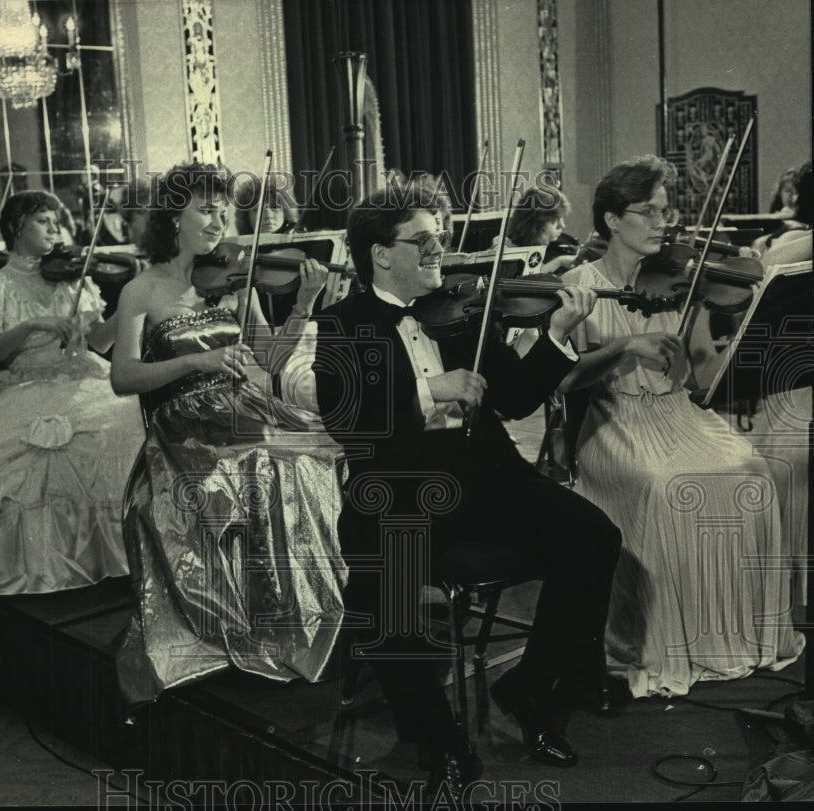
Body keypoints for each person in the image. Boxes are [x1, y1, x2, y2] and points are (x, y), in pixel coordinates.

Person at [312, 186, 621, 783]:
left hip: (486, 479)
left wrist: (557, 331)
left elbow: (515, 396)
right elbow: (348, 420)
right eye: (423, 240)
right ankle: (437, 738)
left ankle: (530, 689)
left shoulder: (461, 313)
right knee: (387, 589)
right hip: (397, 493)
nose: (439, 250)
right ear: (380, 254)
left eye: (440, 237)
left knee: (593, 536)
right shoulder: (342, 324)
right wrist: (432, 390)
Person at [559, 155, 804, 699]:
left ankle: (736, 636)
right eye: (648, 211)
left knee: (754, 473)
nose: (663, 223)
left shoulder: (681, 281)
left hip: (679, 414)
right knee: (668, 488)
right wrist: (623, 347)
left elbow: (700, 373)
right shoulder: (577, 286)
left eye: (666, 211)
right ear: (611, 220)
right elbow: (566, 380)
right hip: (612, 420)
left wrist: (750, 332)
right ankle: (662, 642)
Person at [110, 162, 347, 706]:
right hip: (184, 425)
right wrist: (197, 363)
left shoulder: (236, 278)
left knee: (318, 450)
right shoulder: (142, 290)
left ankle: (299, 617)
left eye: (224, 210)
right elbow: (124, 377)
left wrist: (306, 305)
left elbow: (271, 356)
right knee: (267, 461)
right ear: (174, 216)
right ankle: (263, 625)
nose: (221, 220)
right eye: (207, 209)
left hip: (242, 406)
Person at [0, 190, 143, 601]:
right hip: (21, 385)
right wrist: (28, 328)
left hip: (82, 379)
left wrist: (130, 305)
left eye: (56, 223)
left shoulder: (74, 279)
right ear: (15, 227)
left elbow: (97, 344)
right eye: (43, 221)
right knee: (15, 461)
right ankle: (41, 574)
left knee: (125, 432)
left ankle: (115, 564)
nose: (54, 230)